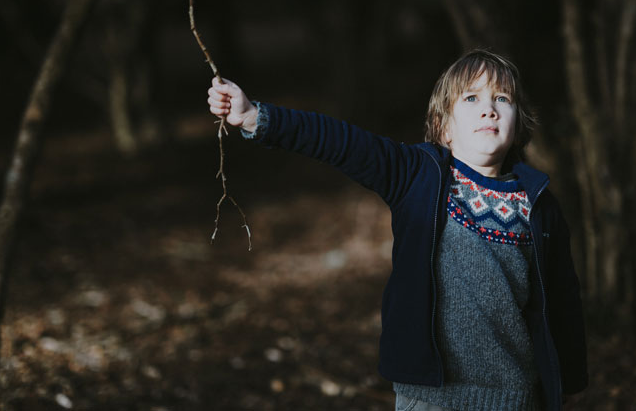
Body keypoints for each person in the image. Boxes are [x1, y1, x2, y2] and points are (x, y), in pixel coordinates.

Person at [207, 49, 588, 411]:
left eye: (502, 99)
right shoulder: (417, 176)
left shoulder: (537, 204)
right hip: (430, 394)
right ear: (443, 127)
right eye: (471, 98)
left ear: (518, 121)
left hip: (514, 394)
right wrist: (256, 116)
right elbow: (340, 142)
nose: (488, 109)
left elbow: (561, 298)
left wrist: (566, 381)